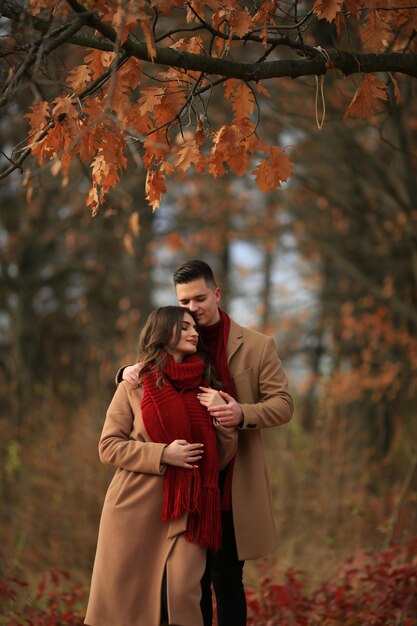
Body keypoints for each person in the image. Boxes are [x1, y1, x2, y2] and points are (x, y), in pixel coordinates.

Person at [121, 260, 294, 626]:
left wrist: (241, 413)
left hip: (232, 482)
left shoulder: (258, 346)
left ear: (217, 294)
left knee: (227, 579)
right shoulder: (178, 337)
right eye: (184, 301)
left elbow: (283, 405)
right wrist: (123, 372)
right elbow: (148, 373)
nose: (193, 308)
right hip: (181, 482)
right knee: (185, 581)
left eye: (200, 298)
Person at [85, 306, 238, 626]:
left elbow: (218, 460)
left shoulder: (207, 387)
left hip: (188, 512)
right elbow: (108, 447)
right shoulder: (134, 384)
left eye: (194, 327)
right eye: (184, 327)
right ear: (163, 333)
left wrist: (224, 421)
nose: (194, 332)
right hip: (135, 509)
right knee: (128, 606)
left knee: (181, 596)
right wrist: (162, 455)